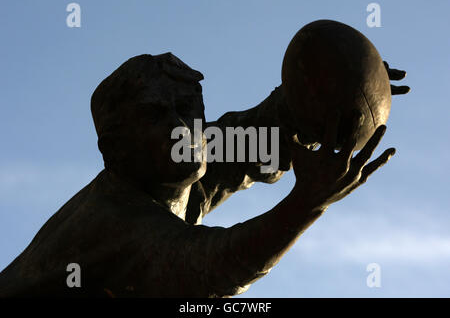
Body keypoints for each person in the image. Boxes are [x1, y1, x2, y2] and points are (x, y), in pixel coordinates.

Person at [0, 53, 409, 297]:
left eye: (188, 107)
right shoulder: (113, 220)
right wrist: (306, 203)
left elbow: (258, 135)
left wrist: (334, 86)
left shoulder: (171, 162)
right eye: (156, 115)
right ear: (116, 151)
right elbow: (214, 266)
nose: (183, 128)